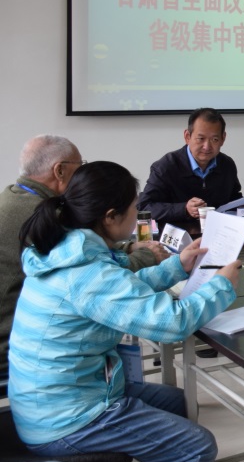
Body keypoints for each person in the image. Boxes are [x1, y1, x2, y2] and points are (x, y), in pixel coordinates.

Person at [8, 161, 240, 462]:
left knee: (175, 402)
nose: (138, 214)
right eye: (134, 207)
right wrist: (220, 286)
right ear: (111, 217)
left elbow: (123, 288)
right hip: (65, 418)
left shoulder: (67, 248)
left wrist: (178, 265)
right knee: (197, 447)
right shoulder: (88, 274)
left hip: (50, 399)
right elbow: (172, 323)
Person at [1, 136, 164, 376]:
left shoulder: (12, 198)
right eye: (80, 166)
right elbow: (98, 276)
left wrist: (127, 248)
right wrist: (148, 257)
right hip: (25, 348)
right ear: (60, 171)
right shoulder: (46, 216)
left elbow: (82, 251)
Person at [140, 108, 244, 229]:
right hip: (178, 236)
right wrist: (184, 209)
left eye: (214, 139)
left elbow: (232, 198)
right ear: (187, 137)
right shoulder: (166, 166)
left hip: (217, 233)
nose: (207, 146)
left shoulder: (227, 164)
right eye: (201, 139)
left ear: (223, 139)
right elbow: (144, 207)